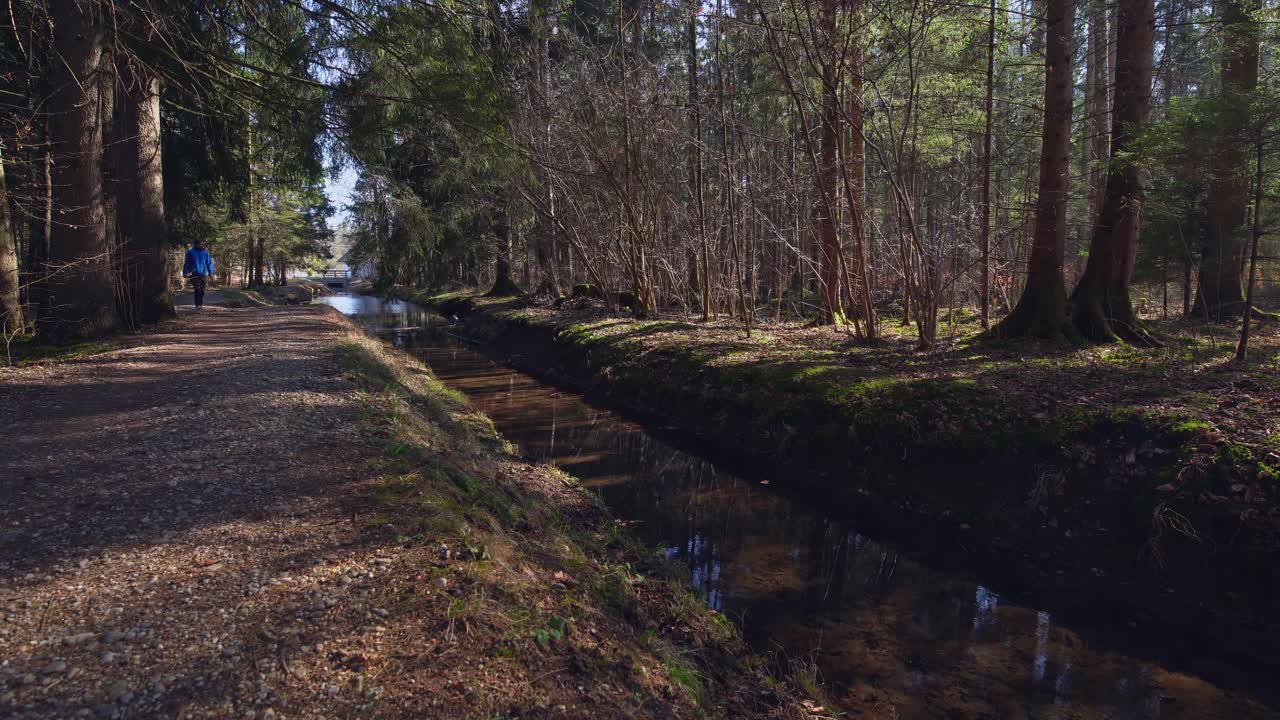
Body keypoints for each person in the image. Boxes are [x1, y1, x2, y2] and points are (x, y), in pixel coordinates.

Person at [182, 239, 215, 308]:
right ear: (195, 244)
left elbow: (209, 263)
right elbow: (186, 263)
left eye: (201, 244)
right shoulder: (190, 252)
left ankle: (200, 304)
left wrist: (211, 273)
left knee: (202, 290)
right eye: (198, 244)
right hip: (194, 274)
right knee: (197, 289)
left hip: (203, 274)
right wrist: (185, 272)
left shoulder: (205, 253)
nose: (200, 245)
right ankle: (198, 305)